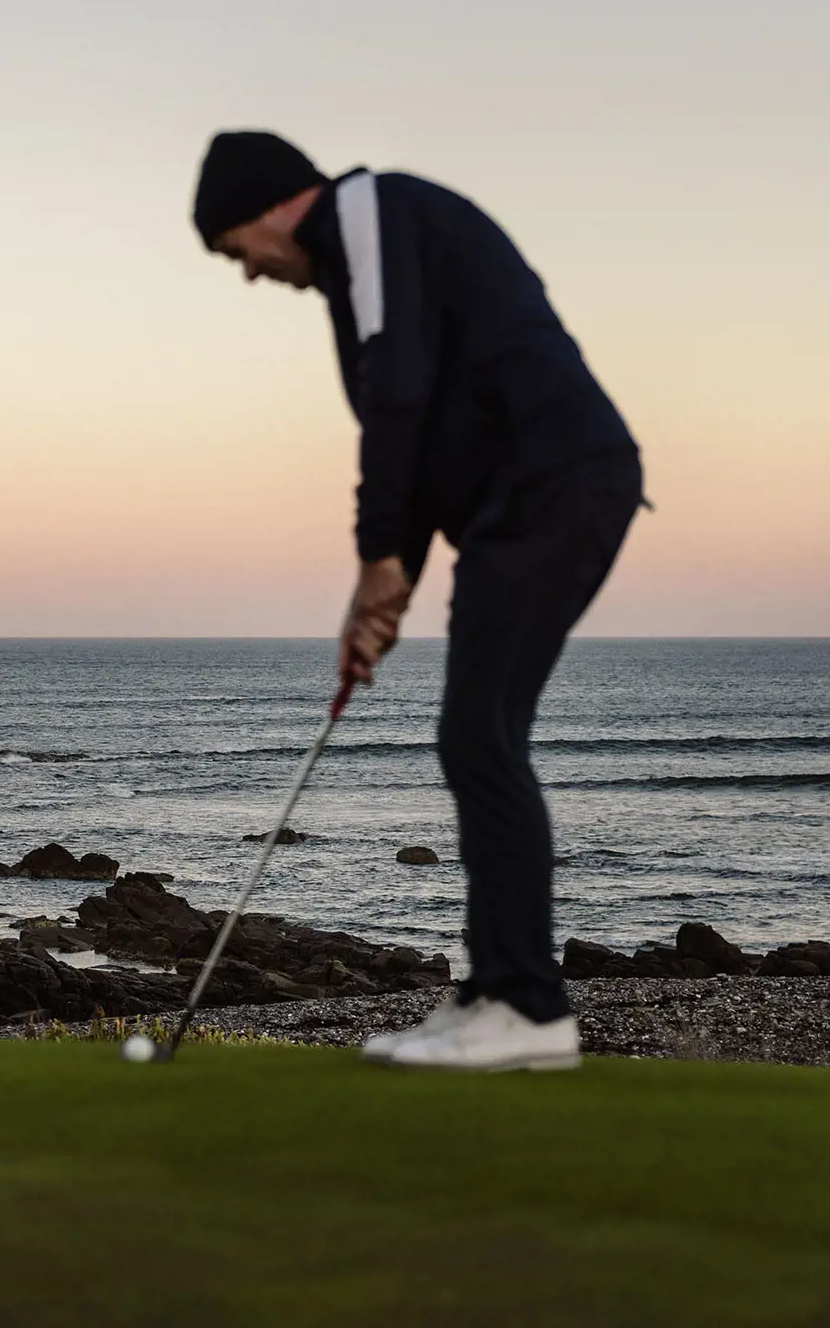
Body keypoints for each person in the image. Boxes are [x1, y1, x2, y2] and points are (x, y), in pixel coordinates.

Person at [193, 130, 643, 1071]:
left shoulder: (373, 215)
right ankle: (491, 995)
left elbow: (398, 400)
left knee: (479, 733)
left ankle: (528, 1010)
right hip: (514, 500)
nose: (249, 275)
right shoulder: (355, 267)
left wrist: (375, 566)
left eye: (237, 251)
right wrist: (382, 593)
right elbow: (430, 434)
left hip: (555, 483)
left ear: (272, 205)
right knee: (477, 733)